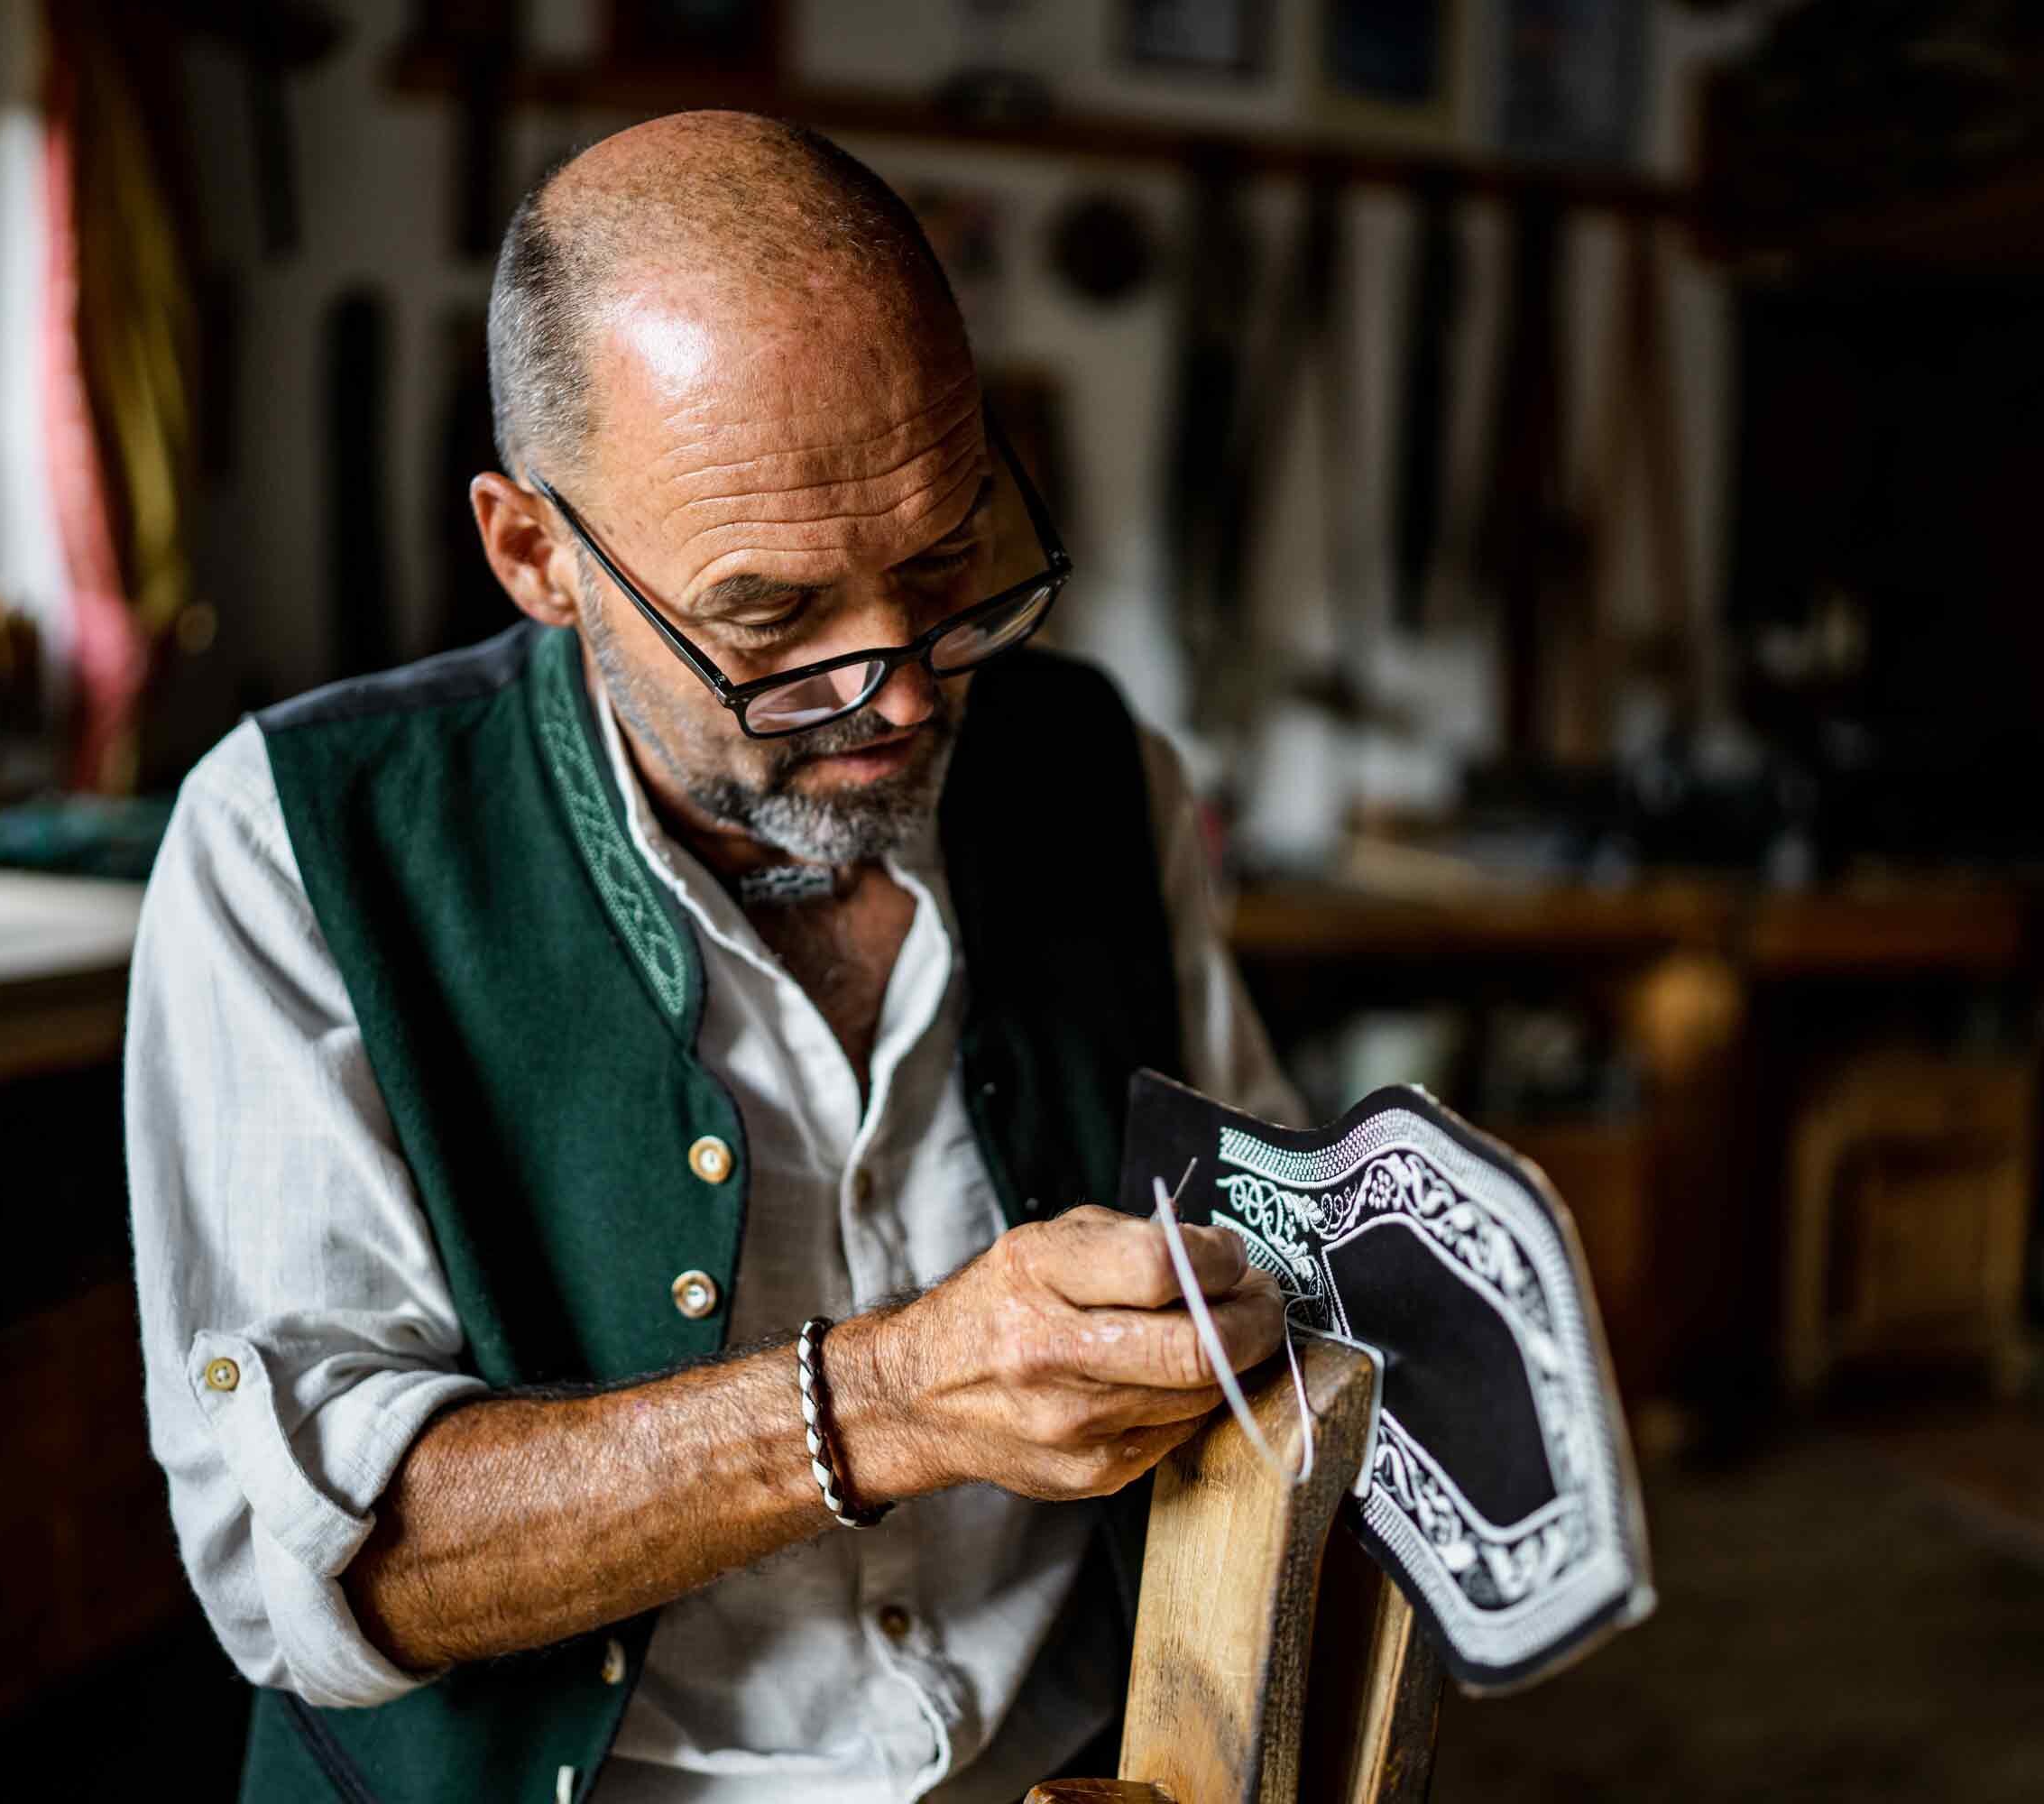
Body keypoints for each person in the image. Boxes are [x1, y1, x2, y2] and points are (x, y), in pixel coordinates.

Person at [126, 111, 1299, 1804]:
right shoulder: (295, 844)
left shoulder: (1100, 772)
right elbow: (322, 1568)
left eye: (946, 556)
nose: (893, 689)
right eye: (769, 621)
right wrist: (889, 1401)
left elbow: (1269, 1268)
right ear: (537, 554)